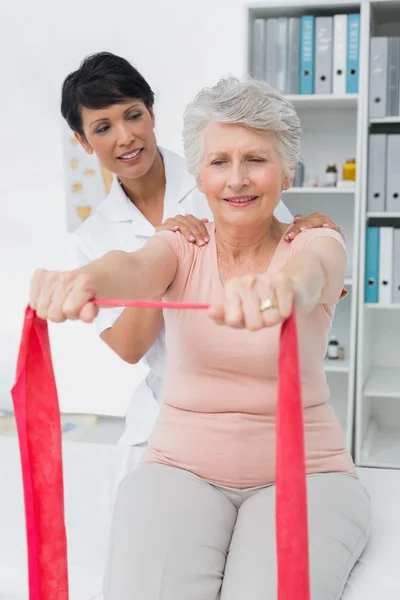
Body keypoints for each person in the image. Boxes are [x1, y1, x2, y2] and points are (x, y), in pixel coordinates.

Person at [33, 76, 370, 599]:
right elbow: (133, 266)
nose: (237, 180)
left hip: (308, 474)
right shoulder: (181, 240)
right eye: (219, 163)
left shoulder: (315, 239)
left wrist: (281, 288)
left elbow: (316, 272)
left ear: (286, 171)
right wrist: (84, 281)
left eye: (256, 160)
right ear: (199, 173)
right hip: (178, 466)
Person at [61, 52, 342, 447]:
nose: (125, 136)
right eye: (103, 127)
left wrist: (312, 240)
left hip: (254, 403)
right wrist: (165, 259)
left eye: (133, 115)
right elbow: (127, 347)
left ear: (152, 113)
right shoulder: (94, 234)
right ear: (83, 141)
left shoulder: (226, 177)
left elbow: (285, 273)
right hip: (164, 408)